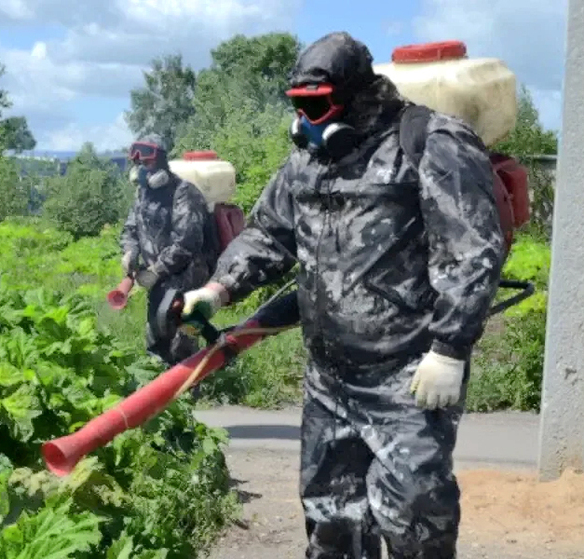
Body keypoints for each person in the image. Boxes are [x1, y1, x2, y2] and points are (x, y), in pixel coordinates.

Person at [178, 32, 505, 558]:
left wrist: (450, 349)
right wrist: (218, 288)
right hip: (328, 379)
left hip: (407, 377)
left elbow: (470, 252)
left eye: (318, 106)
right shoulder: (305, 162)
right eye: (298, 107)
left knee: (415, 523)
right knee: (331, 524)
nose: (308, 120)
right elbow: (268, 234)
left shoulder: (430, 141)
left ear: (356, 95)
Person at [119, 134, 217, 368]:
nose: (142, 167)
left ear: (161, 161)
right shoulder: (143, 193)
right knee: (157, 331)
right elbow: (131, 228)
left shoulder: (184, 193)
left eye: (148, 162)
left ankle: (189, 388)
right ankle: (159, 384)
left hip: (188, 274)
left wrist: (157, 269)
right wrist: (130, 251)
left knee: (181, 337)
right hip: (160, 276)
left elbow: (187, 242)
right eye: (138, 163)